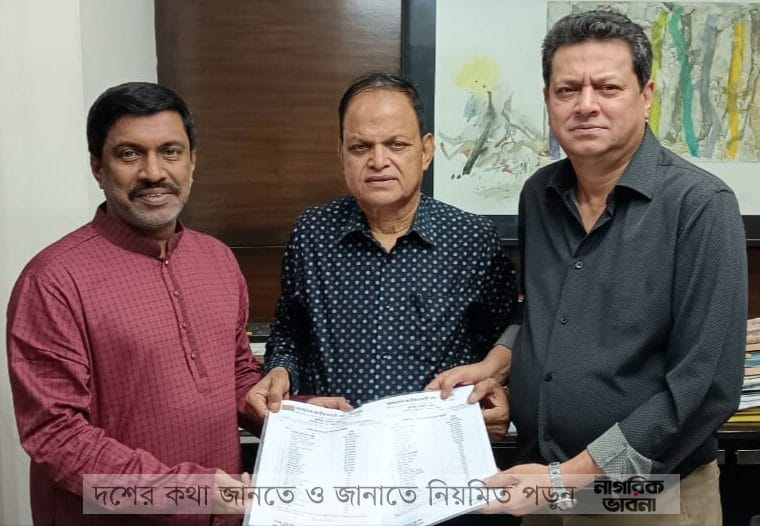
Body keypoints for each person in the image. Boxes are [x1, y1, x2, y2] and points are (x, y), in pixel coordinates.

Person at [5, 82, 343, 525]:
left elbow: (236, 375)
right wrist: (188, 492)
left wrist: (294, 417)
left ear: (192, 161)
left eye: (170, 151)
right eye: (129, 154)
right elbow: (56, 438)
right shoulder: (52, 281)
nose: (153, 172)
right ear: (97, 167)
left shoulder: (217, 259)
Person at [481, 10, 747, 525]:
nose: (585, 105)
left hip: (647, 497)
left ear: (646, 96)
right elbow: (545, 313)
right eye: (567, 90)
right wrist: (500, 365)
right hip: (541, 481)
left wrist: (571, 476)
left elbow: (704, 386)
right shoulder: (539, 195)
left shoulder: (700, 206)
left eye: (607, 87)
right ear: (547, 99)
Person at [247, 73, 518, 438]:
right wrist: (280, 369)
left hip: (438, 448)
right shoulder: (312, 233)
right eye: (361, 147)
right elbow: (290, 331)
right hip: (334, 446)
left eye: (396, 144)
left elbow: (507, 341)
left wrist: (499, 392)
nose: (378, 160)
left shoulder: (472, 239)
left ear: (426, 151)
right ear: (341, 154)